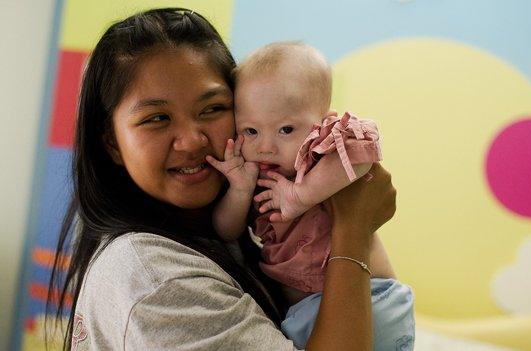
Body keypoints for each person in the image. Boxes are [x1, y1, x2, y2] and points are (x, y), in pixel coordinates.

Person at [46, 8, 398, 351]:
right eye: (157, 118)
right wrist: (352, 228)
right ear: (113, 143)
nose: (192, 140)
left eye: (212, 109)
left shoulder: (214, 228)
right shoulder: (155, 279)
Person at [207, 42, 415, 350]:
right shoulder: (257, 178)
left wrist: (301, 195)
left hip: (372, 297)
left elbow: (362, 157)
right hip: (305, 316)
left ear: (323, 121)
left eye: (286, 129)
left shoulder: (319, 152)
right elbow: (226, 231)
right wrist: (239, 188)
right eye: (250, 131)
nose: (266, 146)